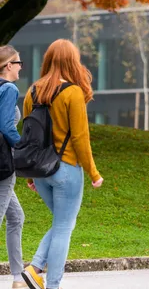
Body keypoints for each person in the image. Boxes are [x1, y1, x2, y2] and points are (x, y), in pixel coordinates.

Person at [20, 39, 104, 289]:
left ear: (48, 60)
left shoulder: (32, 91)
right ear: (72, 62)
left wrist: (31, 175)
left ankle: (35, 270)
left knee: (61, 223)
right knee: (64, 227)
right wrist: (93, 172)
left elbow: (28, 136)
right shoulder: (72, 92)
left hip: (40, 170)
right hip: (65, 169)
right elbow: (80, 138)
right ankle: (50, 282)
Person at [0, 45, 27, 288]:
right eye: (18, 63)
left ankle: (18, 278)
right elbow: (7, 126)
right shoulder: (8, 88)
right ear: (9, 66)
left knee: (16, 217)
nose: (20, 68)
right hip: (3, 165)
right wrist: (24, 150)